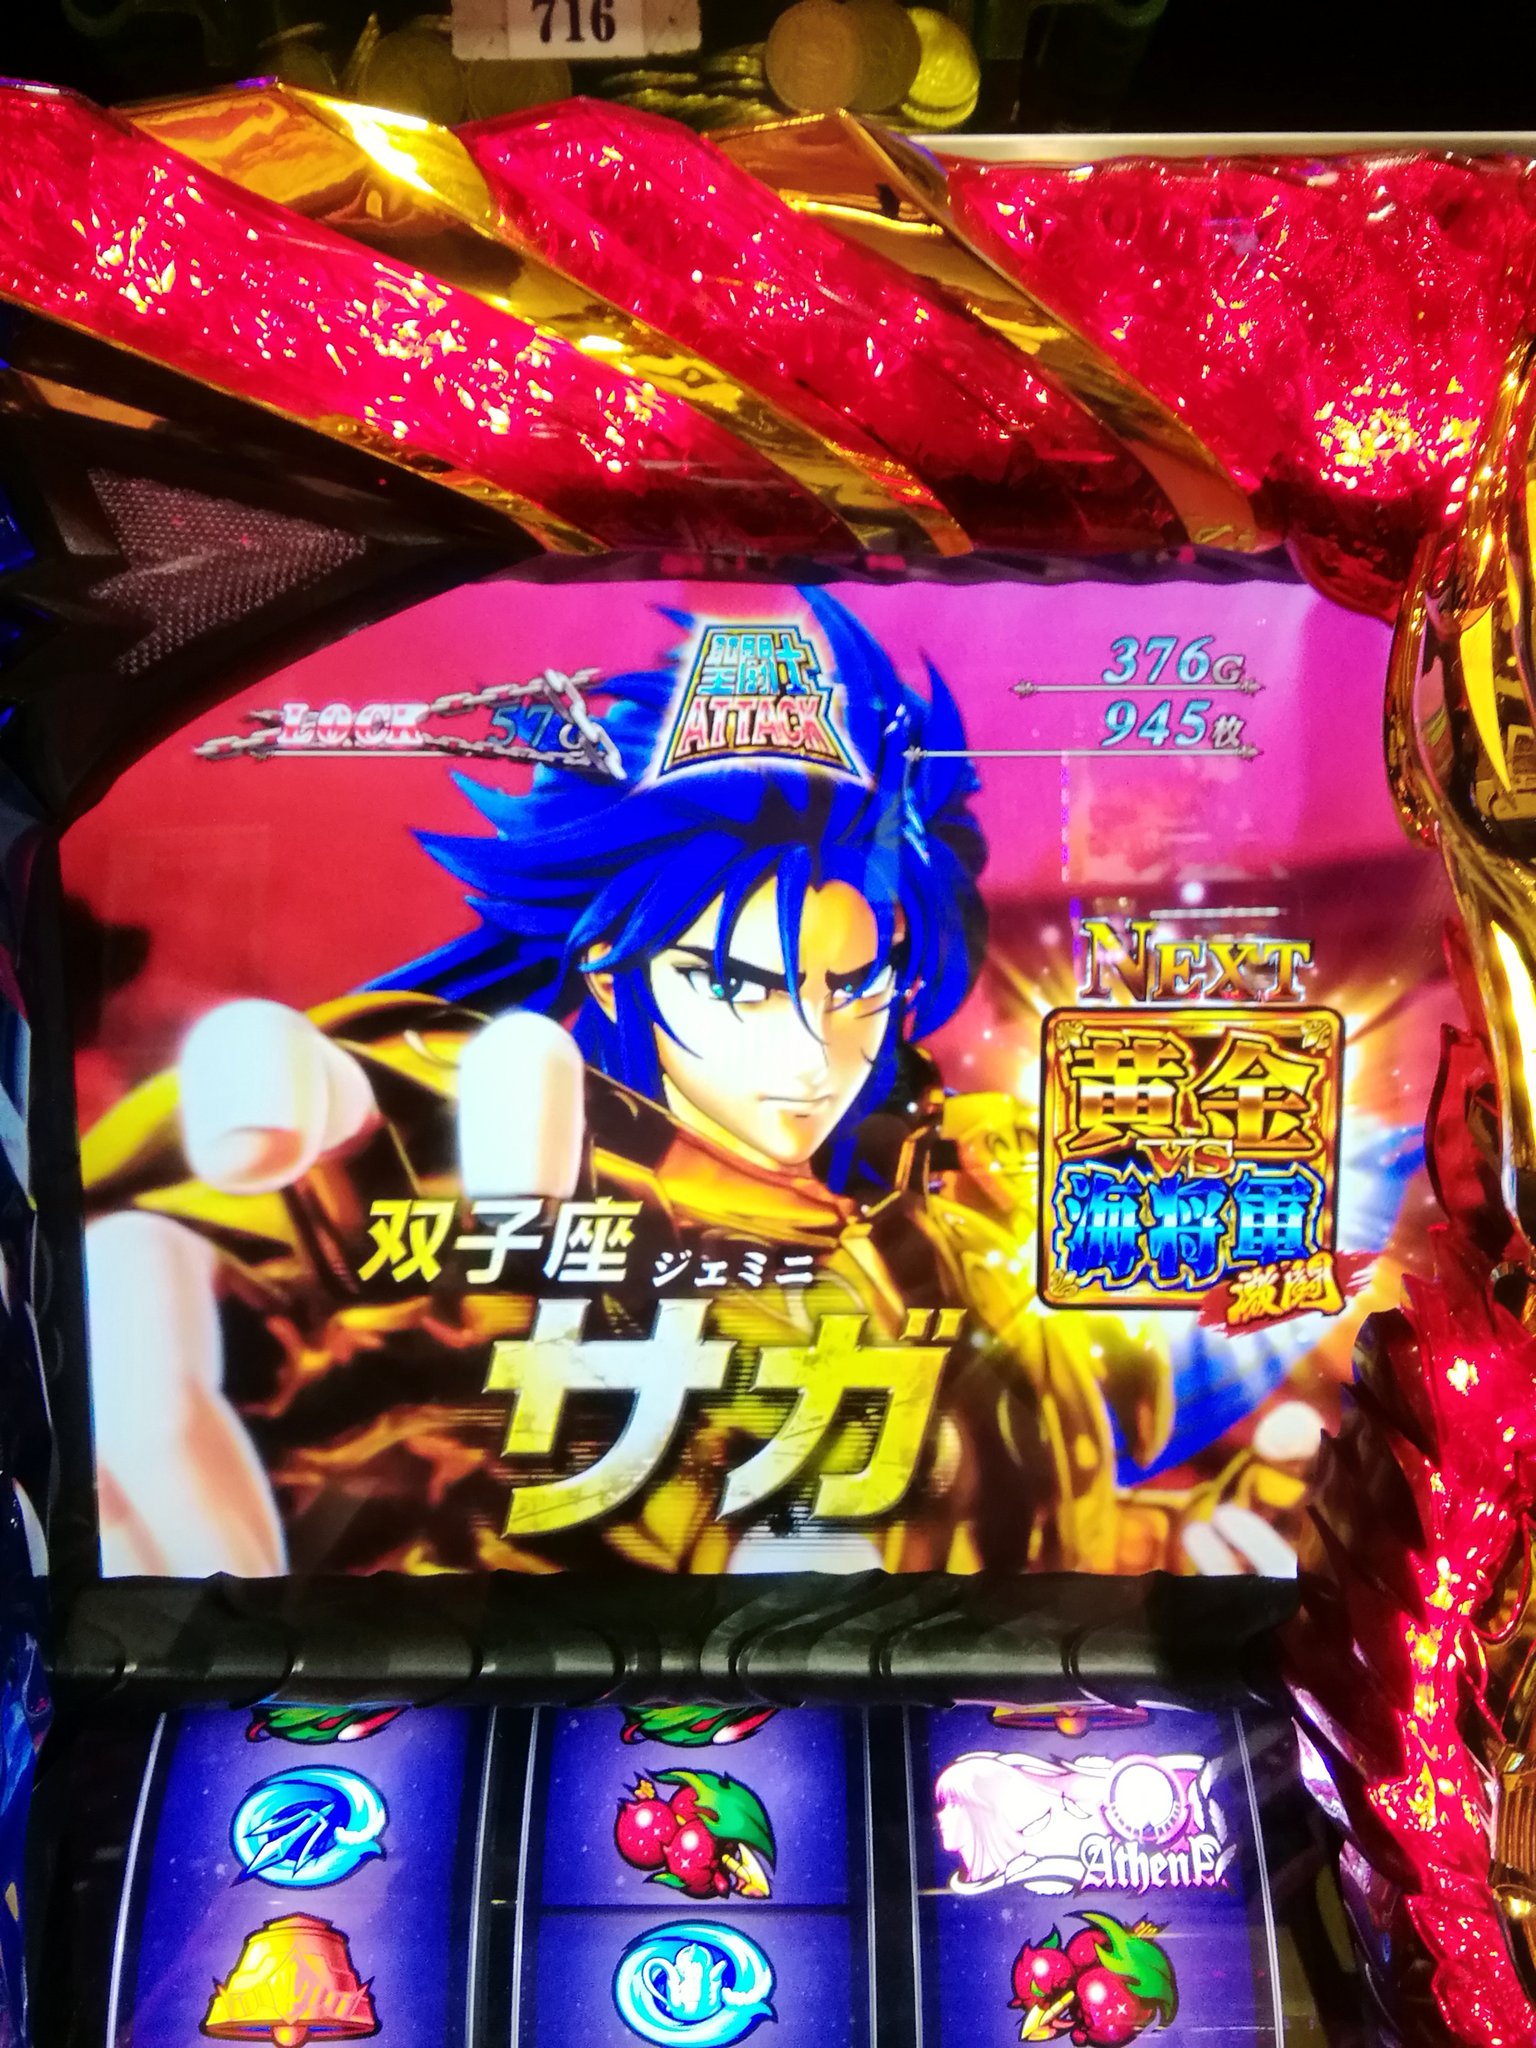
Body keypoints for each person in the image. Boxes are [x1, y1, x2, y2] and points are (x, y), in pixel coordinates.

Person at [79, 591, 1238, 1578]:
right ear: (608, 963)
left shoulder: (962, 1199)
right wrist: (171, 1254)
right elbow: (331, 1179)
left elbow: (1061, 1473)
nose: (810, 1053)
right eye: (737, 984)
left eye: (855, 984)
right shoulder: (520, 1150)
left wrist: (1186, 1552)